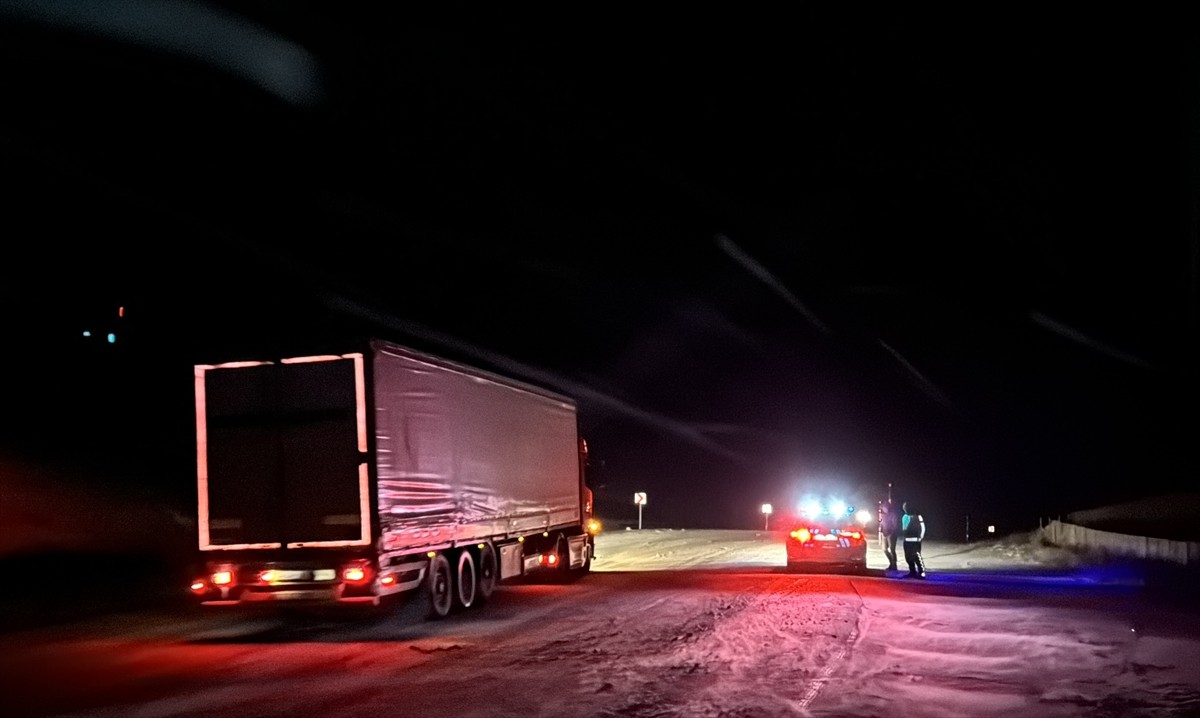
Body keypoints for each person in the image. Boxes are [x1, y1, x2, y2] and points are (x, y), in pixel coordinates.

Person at [901, 501, 926, 578]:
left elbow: (923, 527)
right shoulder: (905, 517)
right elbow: (904, 528)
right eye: (904, 507)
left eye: (906, 507)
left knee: (917, 557)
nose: (905, 508)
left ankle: (921, 572)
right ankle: (912, 571)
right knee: (908, 557)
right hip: (907, 540)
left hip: (915, 540)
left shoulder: (918, 517)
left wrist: (920, 537)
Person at [880, 500, 901, 571]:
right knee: (885, 549)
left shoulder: (893, 514)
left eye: (884, 507)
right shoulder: (883, 515)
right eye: (883, 507)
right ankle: (891, 562)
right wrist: (881, 529)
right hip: (884, 534)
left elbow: (895, 525)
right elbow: (882, 523)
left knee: (892, 550)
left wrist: (892, 533)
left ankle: (894, 565)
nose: (883, 509)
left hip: (891, 534)